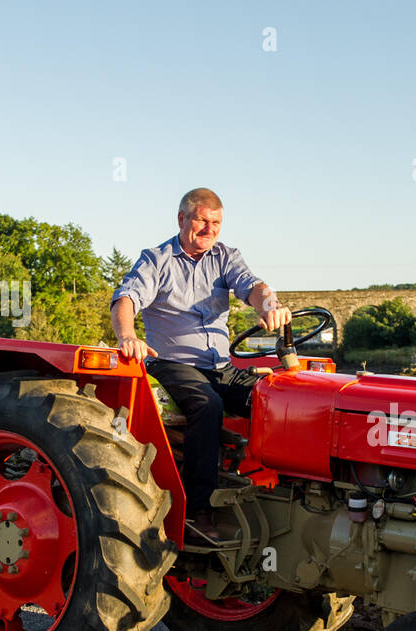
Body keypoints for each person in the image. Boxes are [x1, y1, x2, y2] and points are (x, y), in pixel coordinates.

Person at [110, 187, 292, 544]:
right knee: (206, 405)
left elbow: (254, 286)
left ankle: (278, 491)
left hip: (220, 365)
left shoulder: (225, 256)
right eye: (201, 220)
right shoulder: (157, 259)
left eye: (216, 223)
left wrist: (269, 304)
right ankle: (199, 509)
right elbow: (126, 298)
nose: (209, 229)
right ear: (182, 220)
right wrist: (127, 336)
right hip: (172, 363)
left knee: (277, 401)